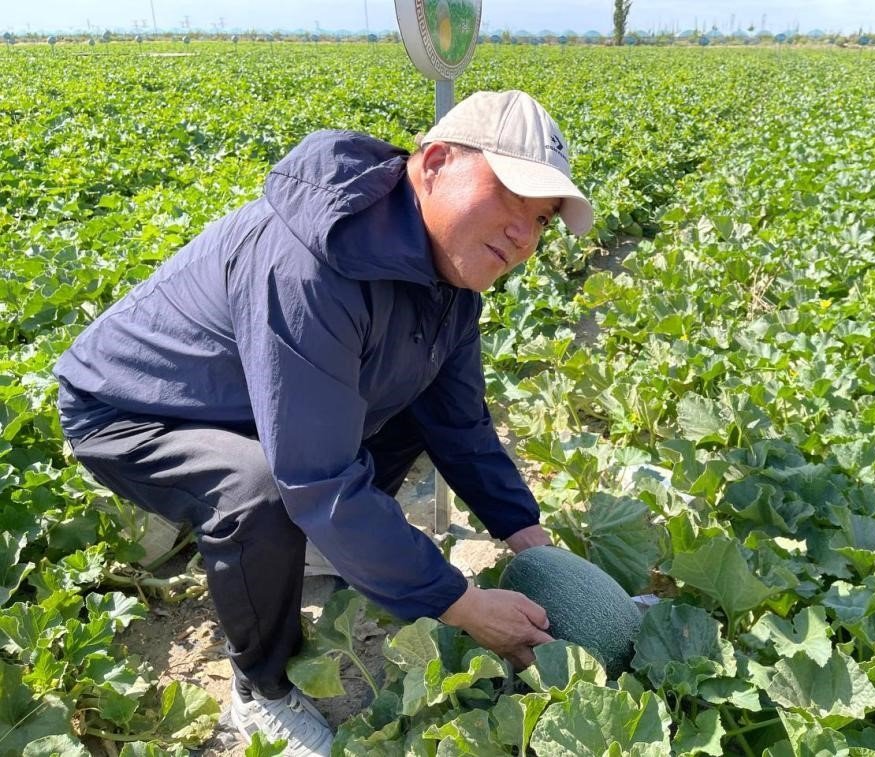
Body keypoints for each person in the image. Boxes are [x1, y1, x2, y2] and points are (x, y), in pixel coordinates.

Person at [53, 89, 594, 756]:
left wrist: (528, 537)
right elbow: (316, 475)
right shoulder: (310, 261)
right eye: (513, 198)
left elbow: (460, 426)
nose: (524, 236)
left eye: (541, 221)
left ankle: (319, 549)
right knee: (261, 490)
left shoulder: (450, 283)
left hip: (245, 403)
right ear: (434, 162)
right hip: (133, 408)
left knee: (406, 421)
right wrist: (457, 602)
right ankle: (261, 688)